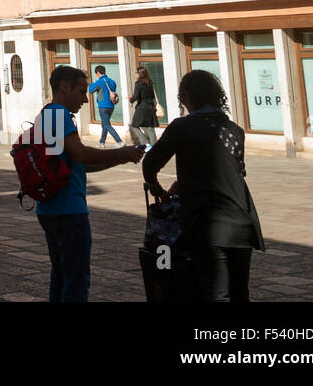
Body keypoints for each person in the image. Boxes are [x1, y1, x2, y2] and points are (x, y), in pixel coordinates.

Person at [142, 69, 265, 302]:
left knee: (216, 295)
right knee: (240, 294)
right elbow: (221, 171)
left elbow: (150, 163)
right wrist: (182, 183)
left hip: (209, 224)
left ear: (187, 96)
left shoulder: (182, 126)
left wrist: (158, 191)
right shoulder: (234, 130)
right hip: (243, 222)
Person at [34, 65, 144, 302]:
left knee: (62, 277)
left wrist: (120, 157)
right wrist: (121, 152)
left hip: (51, 209)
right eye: (82, 92)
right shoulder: (58, 115)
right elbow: (81, 154)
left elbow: (78, 164)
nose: (85, 99)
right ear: (64, 87)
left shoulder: (47, 114)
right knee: (76, 282)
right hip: (68, 210)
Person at [89, 65, 122, 146]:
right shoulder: (112, 81)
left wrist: (91, 84)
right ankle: (101, 142)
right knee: (105, 124)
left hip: (103, 106)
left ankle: (119, 141)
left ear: (98, 73)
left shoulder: (99, 81)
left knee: (106, 124)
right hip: (111, 105)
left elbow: (91, 90)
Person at [129, 66, 159, 147]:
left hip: (142, 107)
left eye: (137, 73)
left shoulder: (138, 84)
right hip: (150, 107)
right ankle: (154, 146)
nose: (136, 74)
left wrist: (131, 99)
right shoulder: (150, 83)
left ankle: (145, 143)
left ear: (140, 74)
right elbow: (152, 96)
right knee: (150, 127)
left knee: (134, 125)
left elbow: (135, 97)